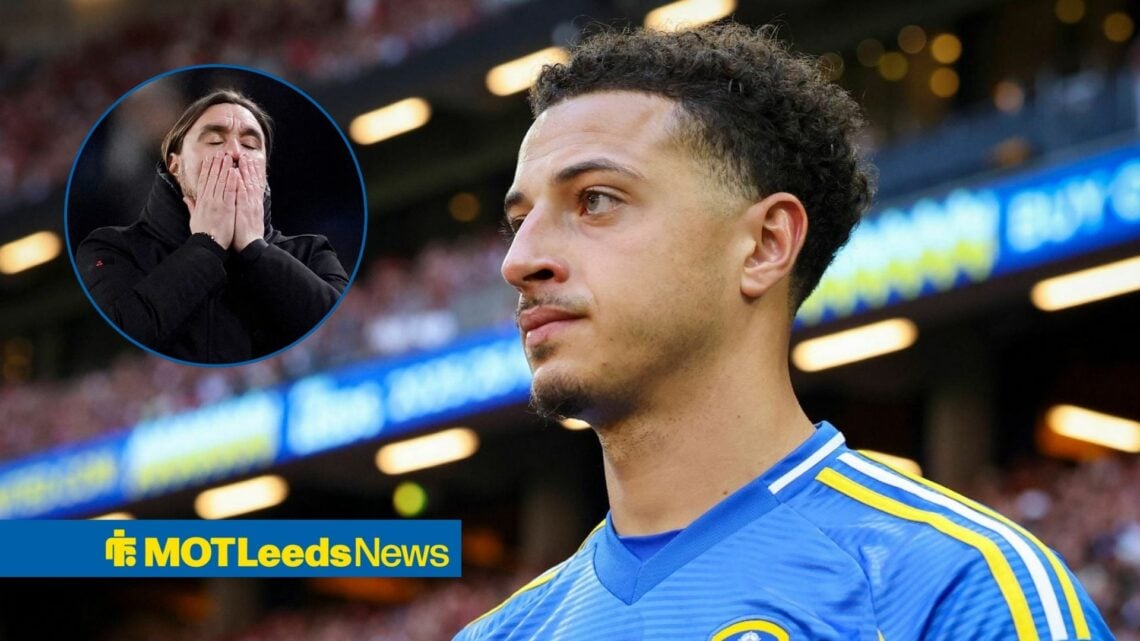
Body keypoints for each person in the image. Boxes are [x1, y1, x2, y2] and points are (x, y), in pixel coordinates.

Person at [455, 23, 1111, 641]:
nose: (520, 261)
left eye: (596, 200)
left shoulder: (958, 590)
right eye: (519, 220)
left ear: (766, 244)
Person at [77, 89, 348, 364]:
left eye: (251, 146)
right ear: (175, 163)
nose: (234, 153)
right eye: (215, 141)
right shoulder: (112, 249)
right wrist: (206, 245)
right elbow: (130, 333)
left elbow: (337, 328)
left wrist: (256, 250)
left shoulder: (313, 251)